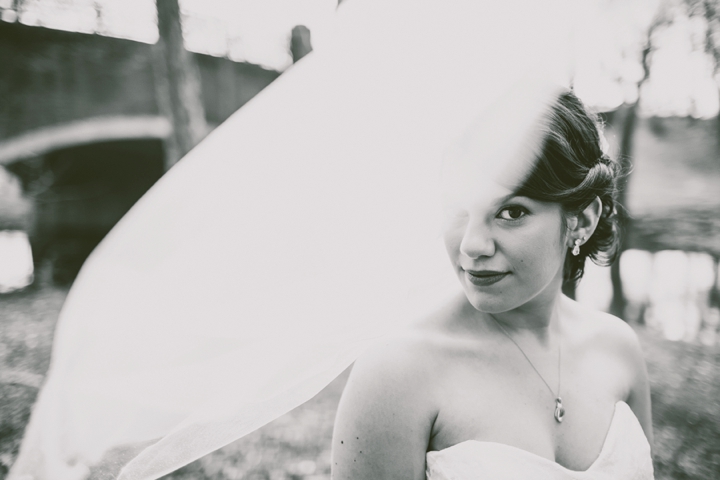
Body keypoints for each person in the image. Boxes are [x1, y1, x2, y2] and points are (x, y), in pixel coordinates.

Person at [331, 91, 654, 479]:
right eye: (458, 211)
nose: (471, 245)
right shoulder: (395, 375)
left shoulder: (619, 349)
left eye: (510, 212)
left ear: (581, 222)